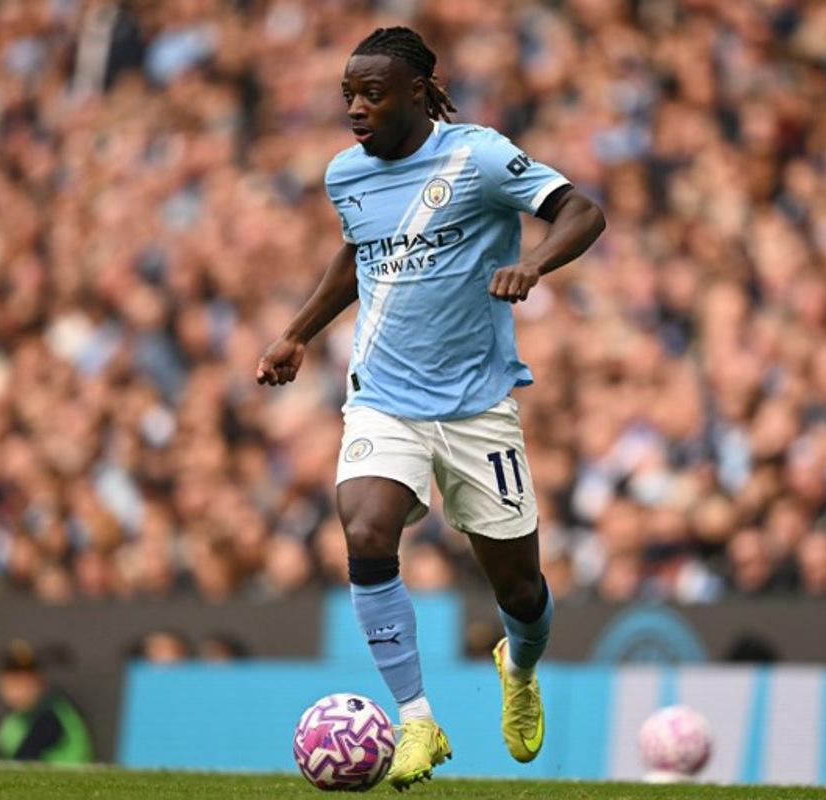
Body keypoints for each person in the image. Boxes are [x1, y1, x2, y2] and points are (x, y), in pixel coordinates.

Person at [256, 26, 605, 788]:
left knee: (520, 591)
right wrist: (296, 334)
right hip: (383, 400)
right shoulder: (345, 174)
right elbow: (358, 253)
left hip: (478, 409)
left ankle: (519, 663)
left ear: (418, 92)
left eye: (372, 93)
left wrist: (534, 264)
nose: (354, 106)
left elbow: (582, 210)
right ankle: (418, 723)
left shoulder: (476, 155)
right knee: (366, 526)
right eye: (347, 92)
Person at [0, 640, 94, 764]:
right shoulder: (16, 718)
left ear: (40, 681)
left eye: (25, 680)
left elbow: (25, 757)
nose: (18, 689)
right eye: (12, 681)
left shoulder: (52, 715)